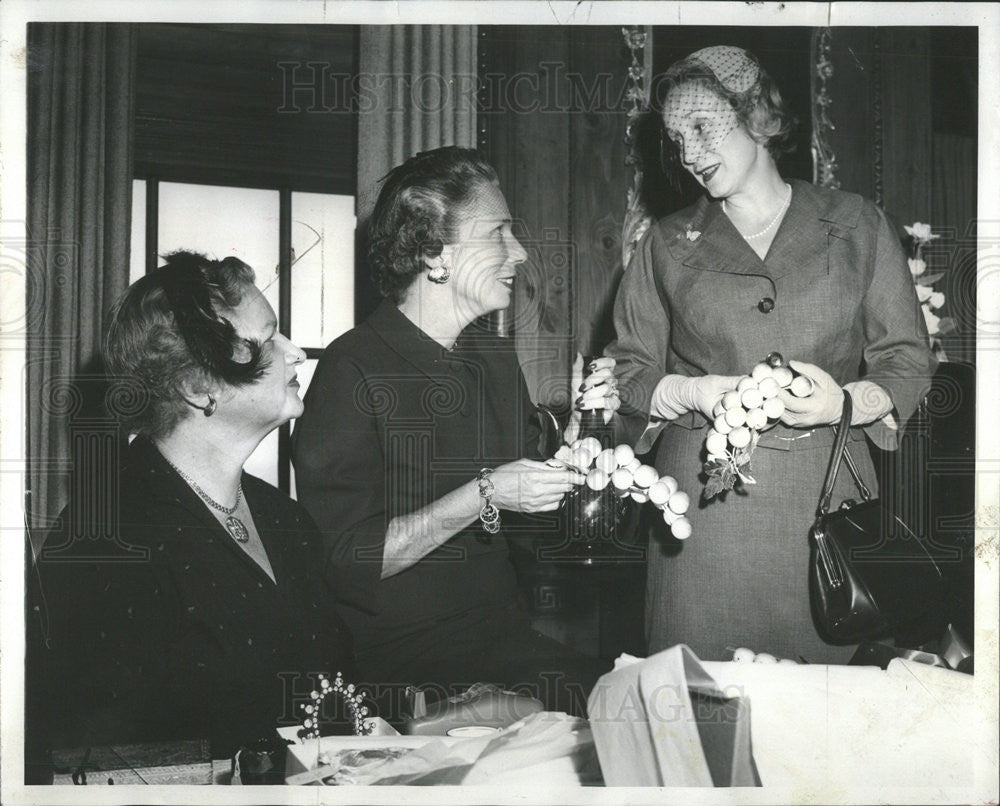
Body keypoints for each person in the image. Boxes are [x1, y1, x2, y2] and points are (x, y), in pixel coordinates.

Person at [605, 46, 937, 664]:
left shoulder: (855, 224)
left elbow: (907, 361)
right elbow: (628, 372)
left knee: (826, 729)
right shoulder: (665, 243)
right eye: (677, 138)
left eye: (703, 127)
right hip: (704, 522)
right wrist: (693, 392)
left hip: (829, 512)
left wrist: (844, 402)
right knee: (702, 718)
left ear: (756, 117)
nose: (689, 153)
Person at [292, 146, 616, 718]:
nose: (518, 252)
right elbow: (346, 561)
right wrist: (483, 493)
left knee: (632, 704)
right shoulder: (352, 368)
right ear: (433, 255)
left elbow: (532, 524)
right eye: (498, 234)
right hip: (403, 668)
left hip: (505, 643)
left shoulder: (491, 356)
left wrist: (578, 443)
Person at [29, 252, 355, 766]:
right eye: (268, 339)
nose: (296, 354)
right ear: (197, 386)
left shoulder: (285, 520)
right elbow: (95, 759)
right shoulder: (105, 539)